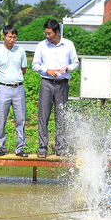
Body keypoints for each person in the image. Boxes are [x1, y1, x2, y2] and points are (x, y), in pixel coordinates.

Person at [32, 19, 79, 158]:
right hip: (46, 83)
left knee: (61, 116)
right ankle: (42, 148)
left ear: (57, 32)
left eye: (50, 33)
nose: (47, 36)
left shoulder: (69, 45)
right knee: (43, 116)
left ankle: (60, 147)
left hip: (62, 84)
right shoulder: (41, 46)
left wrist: (68, 67)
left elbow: (75, 63)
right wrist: (47, 70)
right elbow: (35, 65)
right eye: (45, 33)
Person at [0, 24, 29, 157]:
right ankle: (1, 146)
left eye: (14, 37)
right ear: (4, 36)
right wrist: (4, 81)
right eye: (9, 37)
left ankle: (20, 148)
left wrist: (14, 80)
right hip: (3, 88)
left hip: (18, 88)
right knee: (1, 118)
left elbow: (23, 70)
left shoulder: (20, 51)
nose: (12, 40)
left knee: (21, 119)